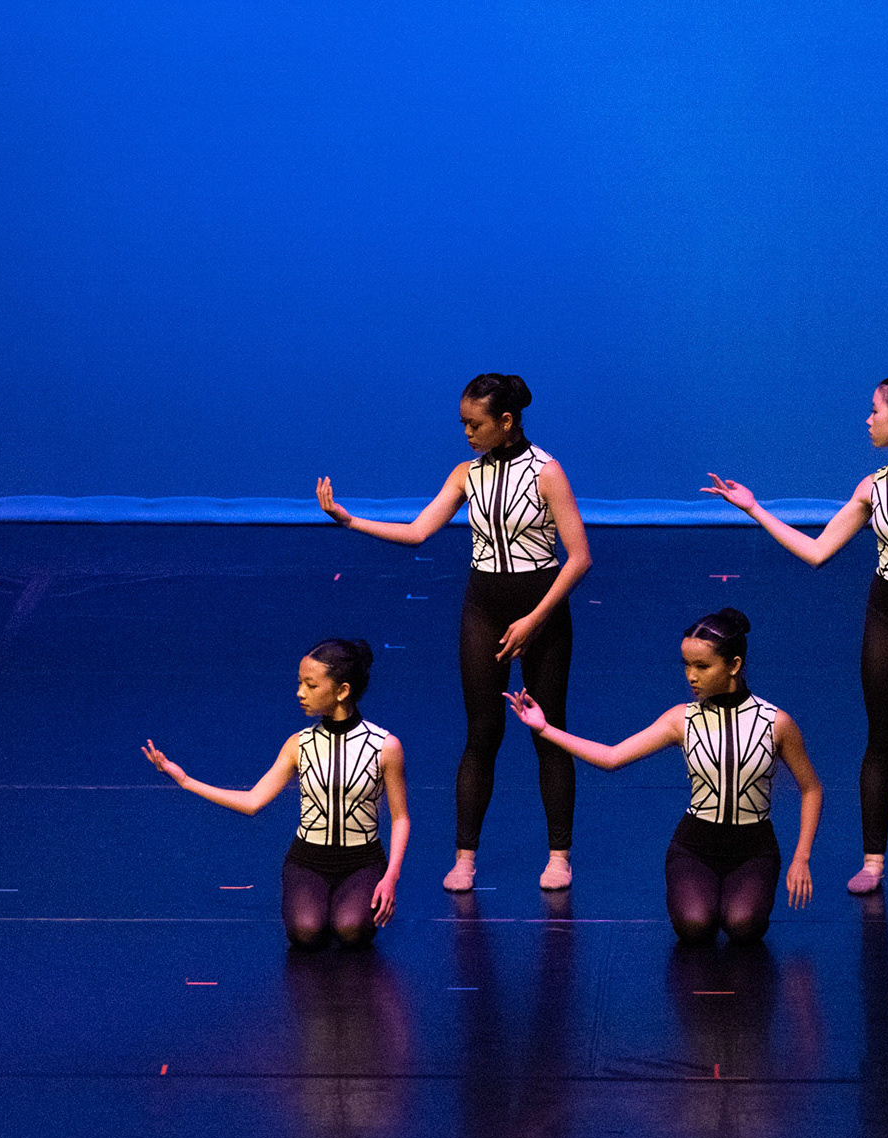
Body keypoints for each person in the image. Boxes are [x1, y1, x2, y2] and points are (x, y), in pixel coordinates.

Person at [704, 373, 888, 896]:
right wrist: (754, 508)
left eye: (875, 411)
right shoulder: (872, 487)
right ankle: (873, 861)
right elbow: (817, 551)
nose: (868, 420)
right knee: (882, 737)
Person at [317, 372, 592, 892]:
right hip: (484, 608)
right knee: (481, 734)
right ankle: (465, 858)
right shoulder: (467, 474)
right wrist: (348, 520)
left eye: (475, 424)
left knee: (548, 731)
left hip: (541, 610)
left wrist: (534, 620)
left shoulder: (547, 472)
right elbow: (419, 531)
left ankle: (559, 855)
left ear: (506, 421)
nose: (466, 433)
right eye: (462, 423)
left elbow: (579, 558)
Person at [504, 608, 821, 943]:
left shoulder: (775, 722)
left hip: (754, 850)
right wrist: (545, 729)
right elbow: (612, 757)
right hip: (695, 848)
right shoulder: (681, 720)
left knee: (743, 926)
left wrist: (801, 858)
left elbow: (811, 789)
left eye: (702, 666)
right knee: (695, 926)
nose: (691, 676)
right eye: (686, 665)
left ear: (734, 665)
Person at [142, 639, 408, 949]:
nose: (300, 693)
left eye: (310, 685)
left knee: (351, 928)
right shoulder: (299, 744)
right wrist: (186, 781)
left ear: (342, 691)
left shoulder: (385, 746)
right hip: (309, 860)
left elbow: (400, 818)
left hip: (362, 861)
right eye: (300, 683)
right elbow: (253, 801)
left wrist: (391, 876)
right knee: (306, 932)